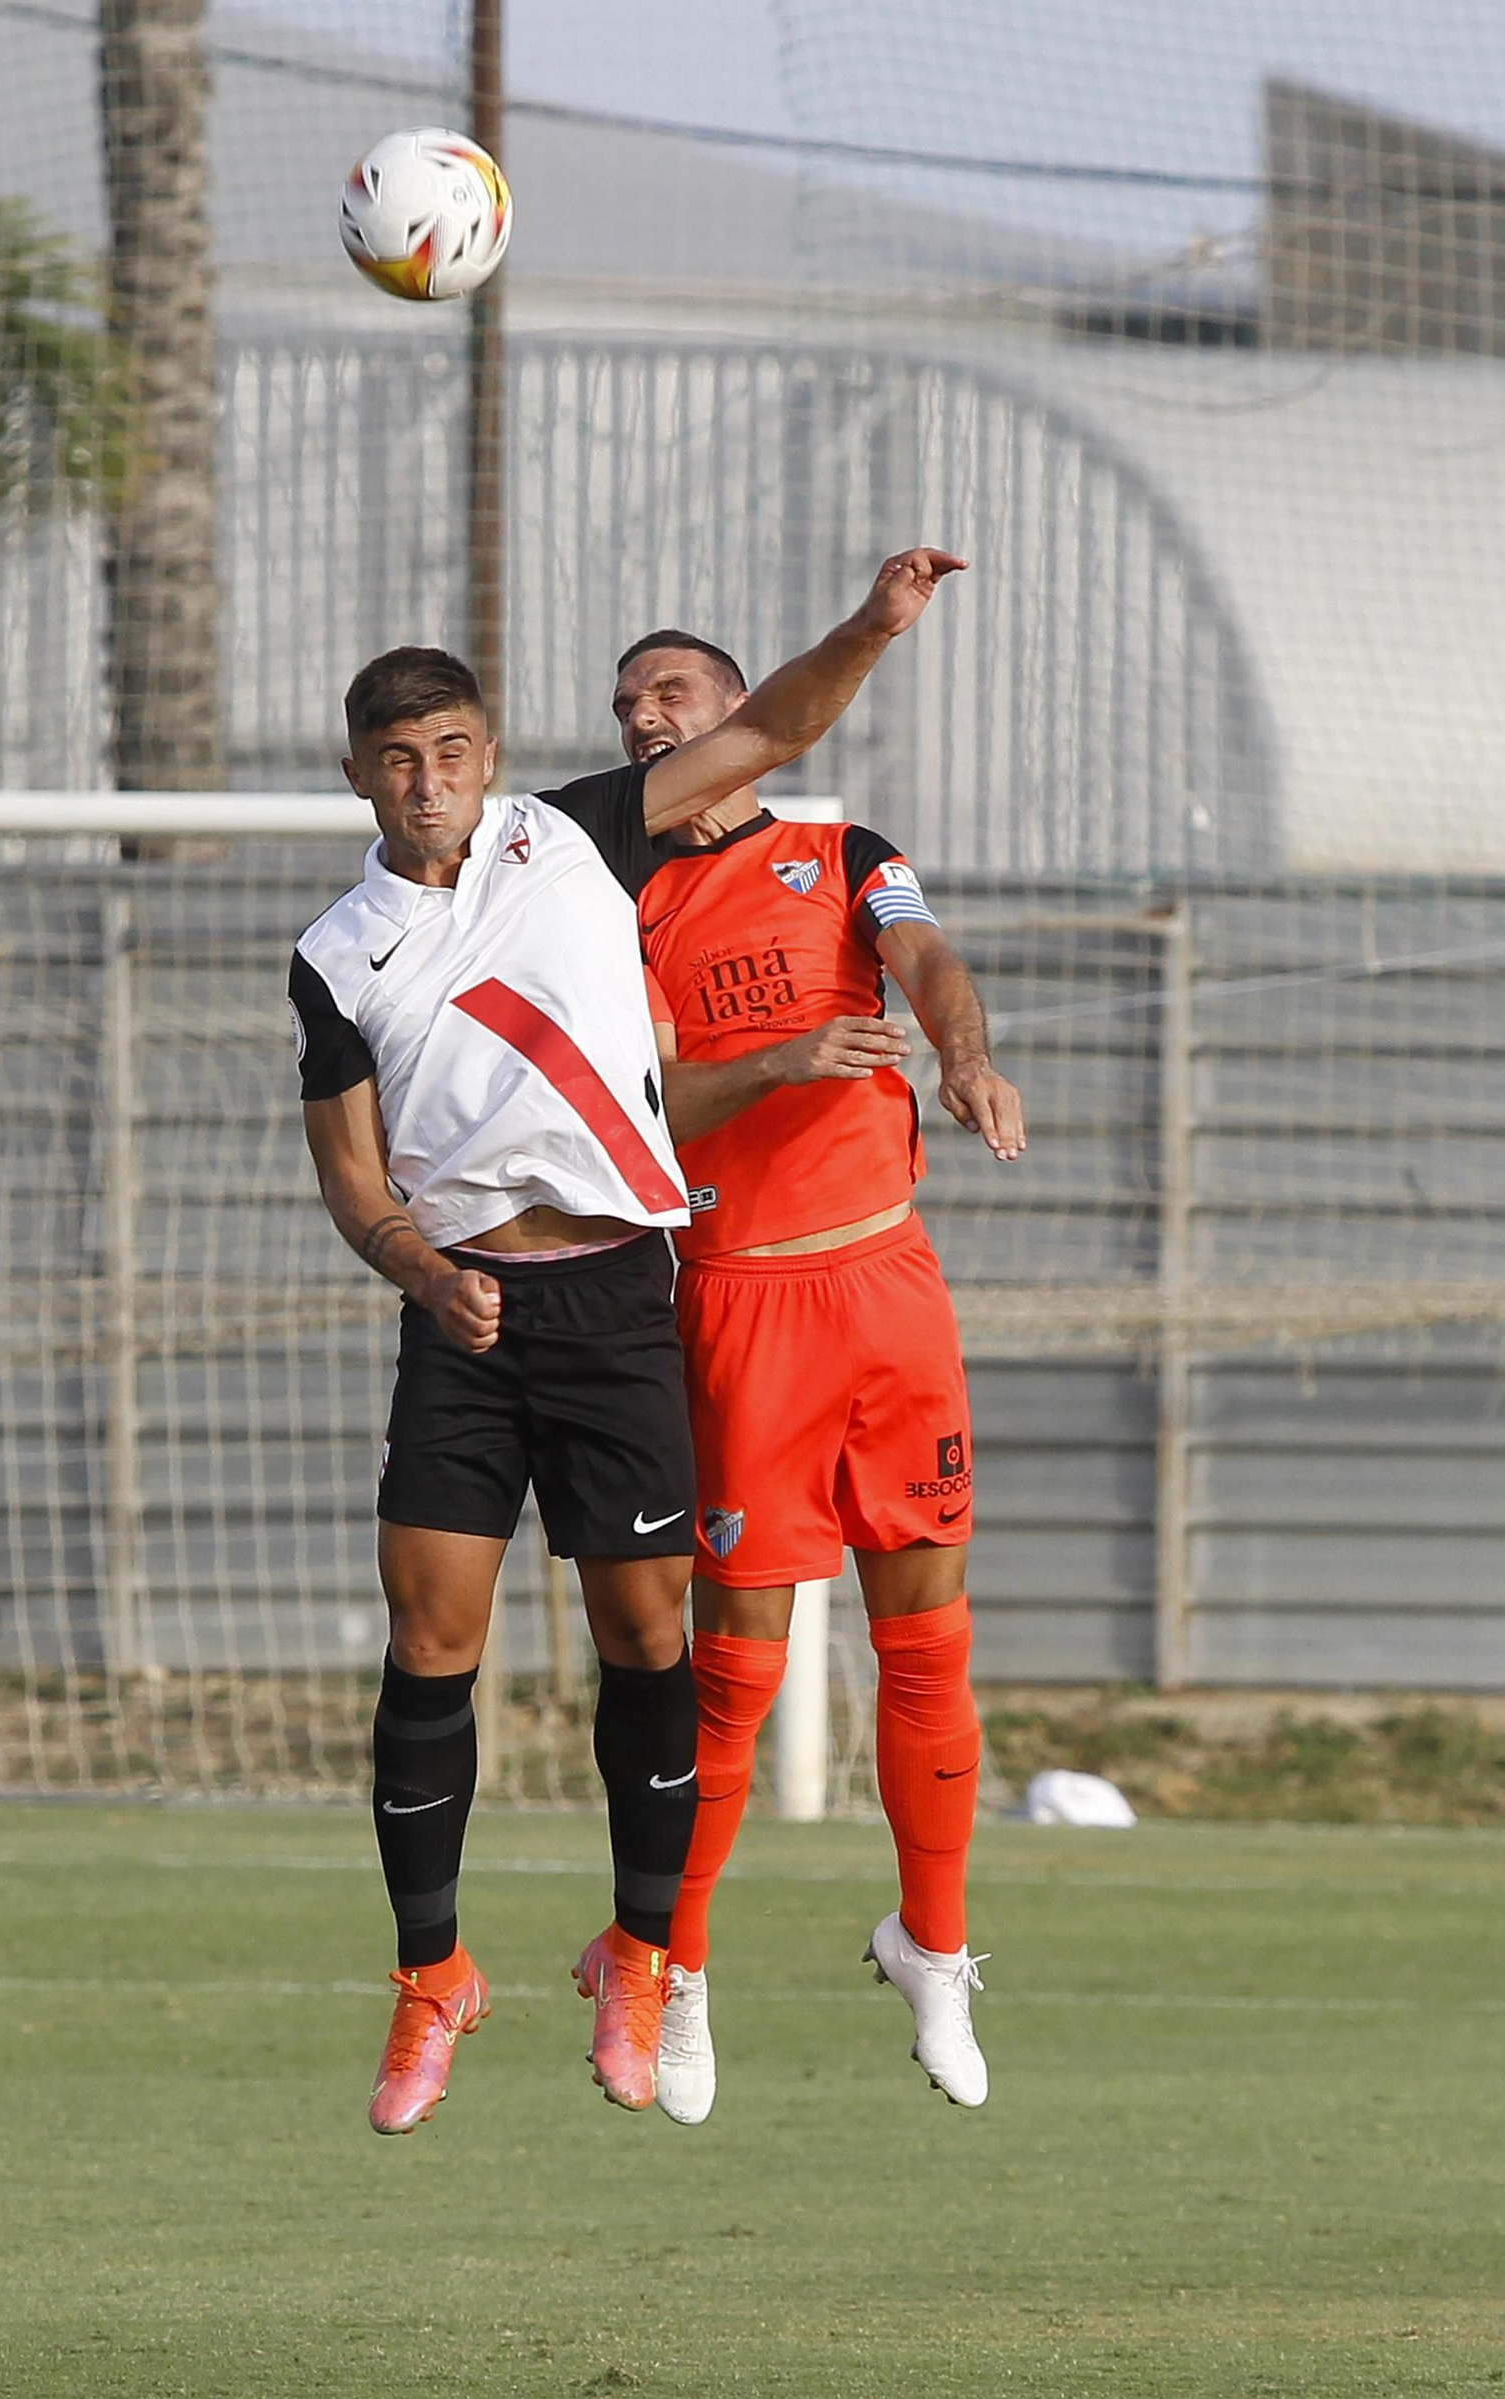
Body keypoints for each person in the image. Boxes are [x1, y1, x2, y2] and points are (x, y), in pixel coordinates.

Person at [287, 549, 965, 2133]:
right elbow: (349, 1174)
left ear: (489, 760)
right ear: (357, 776)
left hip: (615, 1302)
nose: (428, 778)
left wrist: (868, 626)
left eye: (451, 749)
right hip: (459, 1308)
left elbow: (775, 734)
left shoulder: (579, 835)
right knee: (429, 1636)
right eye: (396, 757)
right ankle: (431, 1982)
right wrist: (413, 1264)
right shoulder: (335, 951)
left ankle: (650, 1953)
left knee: (651, 1638)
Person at [610, 626, 1026, 2122]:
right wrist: (780, 1067)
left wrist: (962, 1051)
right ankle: (678, 1973)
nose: (644, 716)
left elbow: (926, 956)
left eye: (669, 693)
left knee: (930, 1636)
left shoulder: (845, 849)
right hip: (740, 1304)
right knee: (737, 1670)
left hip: (887, 1284)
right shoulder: (621, 893)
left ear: (743, 717)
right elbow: (650, 1090)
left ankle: (934, 1943)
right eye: (625, 704)